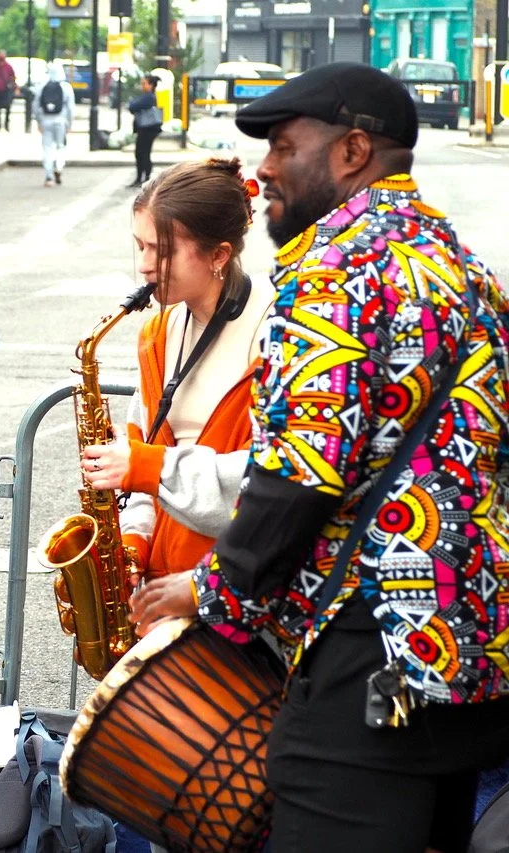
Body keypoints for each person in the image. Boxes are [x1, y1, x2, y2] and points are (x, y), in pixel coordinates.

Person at [131, 62, 509, 853]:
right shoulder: (461, 265)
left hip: (365, 658)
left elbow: (304, 467)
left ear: (353, 151)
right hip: (465, 654)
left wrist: (213, 590)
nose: (263, 167)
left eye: (283, 145)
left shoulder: (334, 267)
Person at [83, 157, 274, 602]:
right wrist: (134, 543)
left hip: (236, 591)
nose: (145, 267)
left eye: (161, 251)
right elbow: (145, 450)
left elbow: (276, 481)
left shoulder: (276, 332)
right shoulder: (159, 333)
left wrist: (146, 467)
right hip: (165, 587)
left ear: (219, 255)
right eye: (140, 246)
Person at [34, 61, 73, 187]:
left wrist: (38, 121)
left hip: (46, 120)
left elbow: (35, 105)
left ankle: (49, 175)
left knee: (47, 148)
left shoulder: (42, 86)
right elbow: (71, 108)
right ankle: (59, 167)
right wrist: (70, 124)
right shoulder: (66, 87)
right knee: (60, 146)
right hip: (60, 120)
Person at [128, 74, 162, 187]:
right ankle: (143, 177)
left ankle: (144, 178)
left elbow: (133, 107)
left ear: (151, 85)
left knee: (142, 153)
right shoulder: (148, 96)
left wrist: (133, 104)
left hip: (147, 129)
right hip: (146, 129)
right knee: (142, 153)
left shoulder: (149, 97)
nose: (142, 86)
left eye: (144, 83)